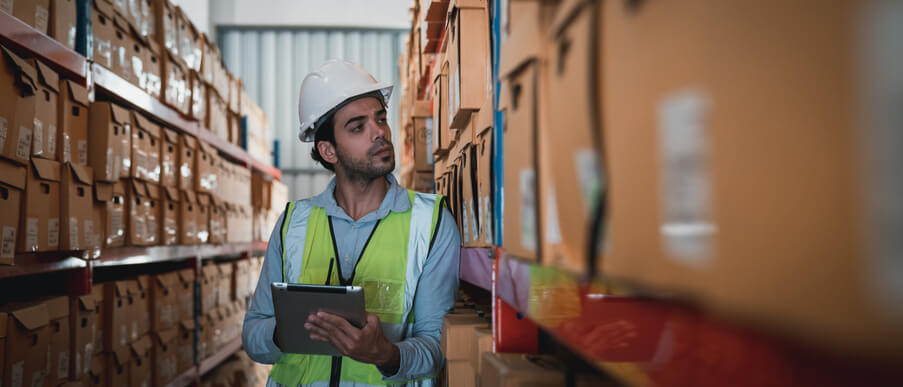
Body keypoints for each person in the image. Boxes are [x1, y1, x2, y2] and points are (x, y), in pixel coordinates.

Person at [242, 59, 460, 387]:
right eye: (358, 127)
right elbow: (252, 336)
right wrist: (289, 328)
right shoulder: (292, 224)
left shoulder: (430, 222)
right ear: (328, 151)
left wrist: (385, 354)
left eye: (381, 119)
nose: (379, 133)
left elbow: (435, 348)